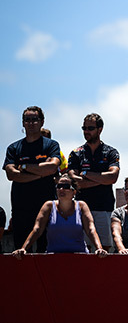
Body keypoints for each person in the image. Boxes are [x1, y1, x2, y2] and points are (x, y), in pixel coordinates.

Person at [4, 106, 61, 252]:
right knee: (21, 253)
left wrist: (23, 167)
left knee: (46, 252)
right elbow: (11, 175)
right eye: (27, 120)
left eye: (34, 119)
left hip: (46, 208)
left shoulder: (51, 145)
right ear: (23, 123)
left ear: (42, 122)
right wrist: (41, 173)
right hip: (21, 209)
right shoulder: (13, 148)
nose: (30, 123)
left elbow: (52, 168)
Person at [12, 174, 107, 258]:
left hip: (79, 257)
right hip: (53, 258)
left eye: (66, 186)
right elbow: (37, 230)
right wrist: (24, 248)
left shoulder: (82, 205)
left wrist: (99, 248)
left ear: (74, 191)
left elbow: (91, 229)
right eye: (59, 186)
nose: (61, 189)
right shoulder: (48, 206)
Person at [68, 113, 120, 252]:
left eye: (90, 128)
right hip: (81, 208)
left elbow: (113, 177)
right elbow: (74, 181)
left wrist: (85, 174)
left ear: (100, 129)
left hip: (104, 207)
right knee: (82, 249)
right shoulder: (76, 153)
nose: (86, 131)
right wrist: (102, 180)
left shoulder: (111, 152)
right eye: (84, 128)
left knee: (105, 247)